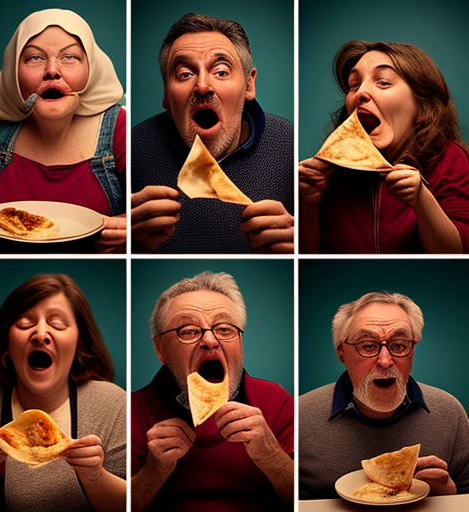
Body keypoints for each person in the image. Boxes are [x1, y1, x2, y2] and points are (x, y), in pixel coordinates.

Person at [0, 9, 126, 253]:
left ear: (91, 70)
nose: (52, 70)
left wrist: (130, 230)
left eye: (69, 57)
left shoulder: (119, 128)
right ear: (13, 73)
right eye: (35, 58)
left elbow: (151, 213)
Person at [0, 274, 126, 512]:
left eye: (57, 324)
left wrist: (96, 477)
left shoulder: (112, 403)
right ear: (7, 342)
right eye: (25, 323)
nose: (40, 334)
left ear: (79, 341)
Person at [131, 13, 294, 254]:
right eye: (185, 74)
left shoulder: (288, 144)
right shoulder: (136, 145)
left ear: (249, 85)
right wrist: (130, 242)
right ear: (166, 93)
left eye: (221, 71)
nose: (203, 86)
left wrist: (298, 244)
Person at [131, 271, 294, 511]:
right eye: (188, 331)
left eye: (225, 328)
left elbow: (300, 501)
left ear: (240, 341)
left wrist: (270, 454)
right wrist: (154, 470)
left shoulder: (275, 399)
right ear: (160, 348)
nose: (209, 340)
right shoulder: (133, 409)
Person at [299, 40, 469, 254]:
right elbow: (309, 254)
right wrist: (308, 202)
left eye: (383, 82)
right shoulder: (329, 174)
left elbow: (457, 253)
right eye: (354, 84)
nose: (361, 92)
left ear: (422, 104)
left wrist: (421, 199)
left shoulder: (449, 159)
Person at [299, 291, 469, 499]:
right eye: (368, 346)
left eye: (398, 345)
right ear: (341, 352)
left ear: (412, 349)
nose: (385, 361)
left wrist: (448, 495)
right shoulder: (300, 416)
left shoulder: (450, 413)